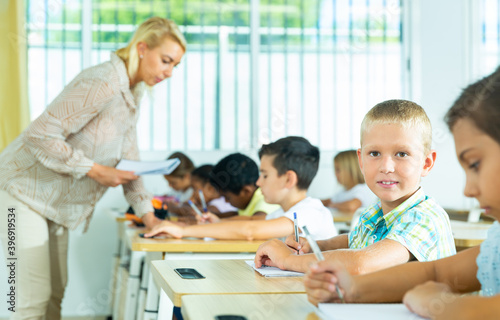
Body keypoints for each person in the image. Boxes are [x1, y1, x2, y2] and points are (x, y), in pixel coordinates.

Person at [0, 17, 186, 319]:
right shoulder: (103, 82)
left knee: (55, 295)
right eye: (166, 61)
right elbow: (40, 133)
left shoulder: (131, 93)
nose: (169, 72)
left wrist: (150, 218)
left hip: (53, 203)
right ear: (141, 48)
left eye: (175, 65)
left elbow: (130, 163)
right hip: (19, 191)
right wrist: (97, 170)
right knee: (31, 299)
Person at [303, 69, 500, 319]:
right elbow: (436, 274)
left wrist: (437, 303)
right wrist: (350, 289)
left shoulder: (425, 215)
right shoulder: (497, 243)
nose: (468, 190)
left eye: (475, 164)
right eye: (374, 154)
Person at [254, 100, 456, 274]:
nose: (386, 167)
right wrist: (319, 246)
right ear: (361, 160)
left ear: (426, 163)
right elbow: (354, 241)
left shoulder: (425, 218)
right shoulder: (375, 212)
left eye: (402, 154)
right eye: (374, 153)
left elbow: (361, 263)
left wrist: (288, 261)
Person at [144, 137, 337, 240]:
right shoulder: (284, 213)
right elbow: (247, 220)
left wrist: (183, 232)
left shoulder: (309, 213)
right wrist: (214, 223)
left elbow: (250, 229)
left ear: (288, 179)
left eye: (265, 175)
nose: (258, 183)